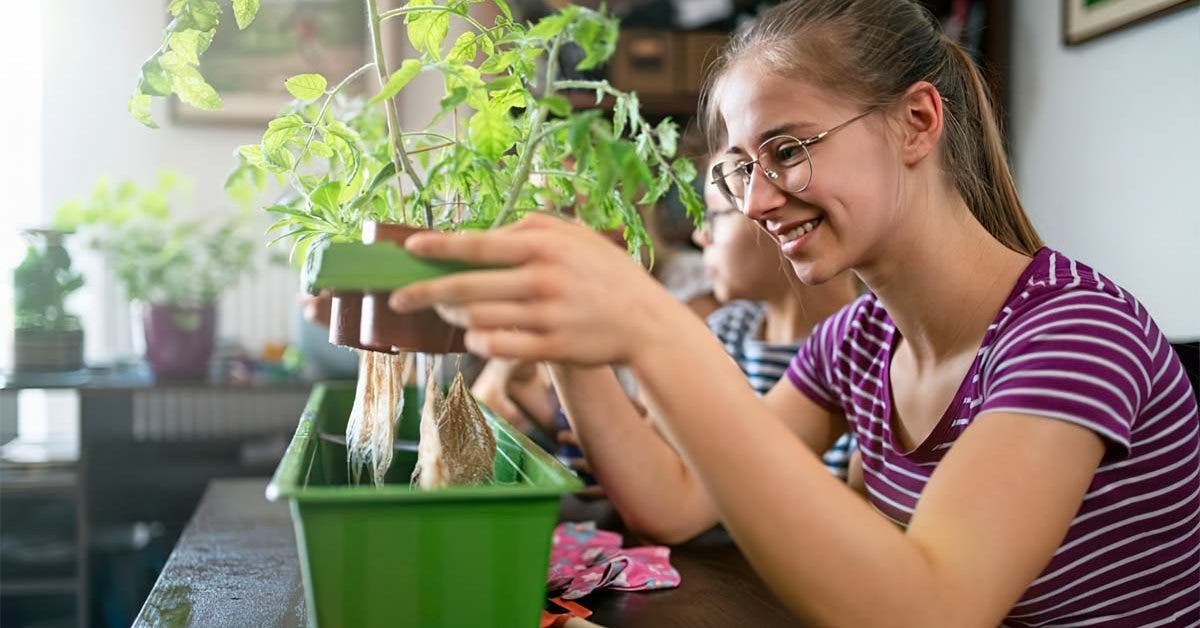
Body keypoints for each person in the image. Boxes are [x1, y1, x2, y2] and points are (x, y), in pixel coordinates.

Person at [387, 1, 1200, 624]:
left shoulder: (1077, 334)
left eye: (787, 150)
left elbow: (932, 609)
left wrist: (655, 328)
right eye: (742, 168)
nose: (761, 200)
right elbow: (672, 500)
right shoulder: (858, 341)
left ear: (918, 122)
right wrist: (566, 328)